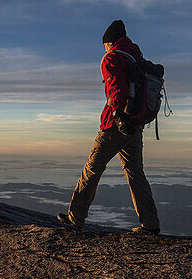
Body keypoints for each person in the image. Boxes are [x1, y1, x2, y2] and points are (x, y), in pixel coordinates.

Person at [58, 19, 160, 234]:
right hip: (135, 126)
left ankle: (75, 217)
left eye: (105, 44)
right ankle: (150, 224)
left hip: (114, 125)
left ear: (110, 43)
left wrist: (117, 115)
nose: (104, 48)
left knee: (92, 169)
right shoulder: (136, 57)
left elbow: (117, 91)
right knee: (135, 173)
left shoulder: (112, 58)